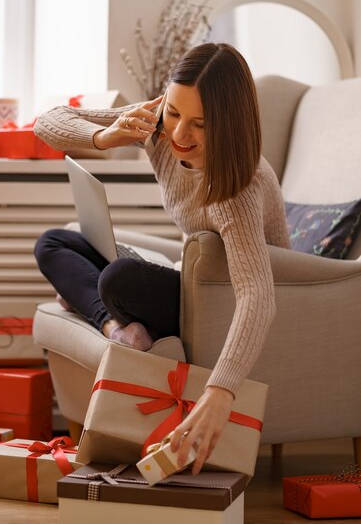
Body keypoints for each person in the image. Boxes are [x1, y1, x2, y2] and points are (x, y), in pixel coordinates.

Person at [34, 43, 290, 475]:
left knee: (120, 277)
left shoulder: (238, 188)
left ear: (228, 124)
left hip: (219, 306)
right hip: (193, 277)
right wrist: (107, 136)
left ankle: (106, 310)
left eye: (199, 124)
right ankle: (117, 327)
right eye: (173, 113)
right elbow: (49, 121)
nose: (178, 135)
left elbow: (257, 297)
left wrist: (219, 392)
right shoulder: (158, 124)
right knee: (55, 242)